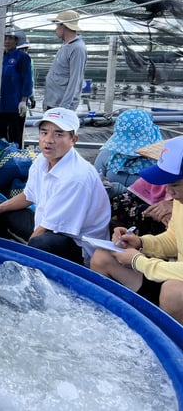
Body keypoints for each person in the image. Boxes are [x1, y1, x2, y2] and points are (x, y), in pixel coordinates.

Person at [0, 108, 111, 265]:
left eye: (58, 134)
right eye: (44, 133)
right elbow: (28, 196)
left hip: (79, 245)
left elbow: (47, 229)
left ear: (74, 139)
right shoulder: (41, 160)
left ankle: (21, 274)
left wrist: (22, 259)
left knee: (40, 243)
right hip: (46, 225)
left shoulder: (77, 177)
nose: (48, 140)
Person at [90, 136, 183, 323]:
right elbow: (174, 239)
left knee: (173, 292)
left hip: (175, 282)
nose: (168, 192)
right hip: (168, 272)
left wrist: (137, 261)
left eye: (174, 185)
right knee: (102, 257)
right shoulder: (180, 202)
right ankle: (109, 325)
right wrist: (141, 243)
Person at [94, 109, 162, 194]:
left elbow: (169, 193)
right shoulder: (107, 155)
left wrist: (126, 192)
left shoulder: (161, 161)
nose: (129, 153)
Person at [0, 26, 33, 148]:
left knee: (15, 136)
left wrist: (24, 100)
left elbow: (27, 79)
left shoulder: (22, 57)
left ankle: (16, 159)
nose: (7, 41)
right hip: (0, 105)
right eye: (5, 38)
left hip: (15, 104)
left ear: (16, 41)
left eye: (10, 38)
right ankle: (2, 161)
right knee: (0, 136)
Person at [43, 10, 87, 111]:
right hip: (53, 103)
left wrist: (64, 108)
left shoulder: (77, 49)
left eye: (57, 25)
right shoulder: (65, 46)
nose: (56, 29)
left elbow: (75, 80)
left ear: (64, 26)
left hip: (61, 106)